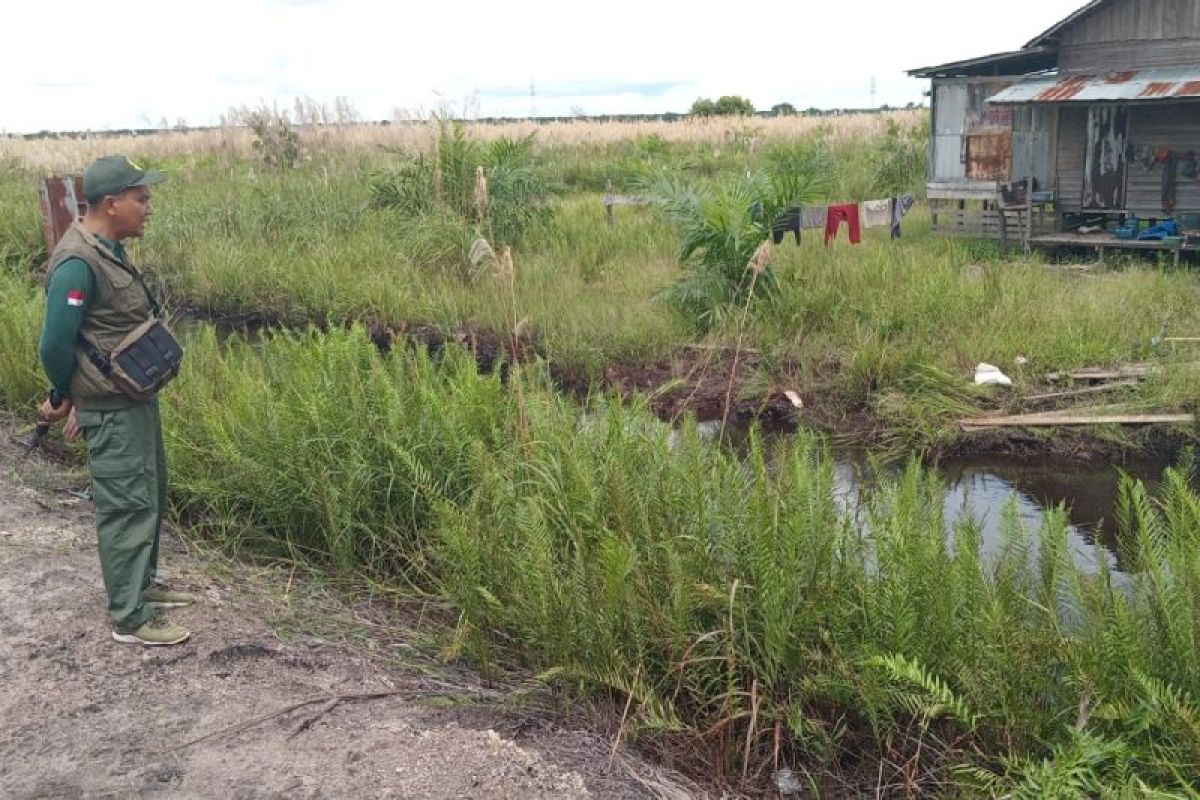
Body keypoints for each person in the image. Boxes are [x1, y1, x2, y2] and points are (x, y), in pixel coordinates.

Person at [38, 154, 194, 646]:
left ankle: (144, 584)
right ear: (111, 203)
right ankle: (130, 618)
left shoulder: (108, 248)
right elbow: (55, 344)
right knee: (125, 506)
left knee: (149, 493)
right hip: (111, 406)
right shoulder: (77, 264)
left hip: (134, 398)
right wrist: (66, 395)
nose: (148, 208)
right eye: (141, 199)